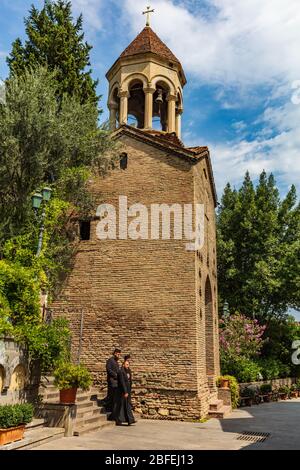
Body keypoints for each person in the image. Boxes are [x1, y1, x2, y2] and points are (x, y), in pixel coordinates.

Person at [114, 359, 136, 426]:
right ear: (123, 365)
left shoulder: (128, 371)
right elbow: (122, 382)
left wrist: (129, 390)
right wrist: (125, 392)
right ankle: (120, 419)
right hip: (123, 391)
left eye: (128, 364)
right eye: (126, 364)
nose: (128, 366)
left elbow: (130, 380)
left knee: (127, 405)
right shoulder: (121, 372)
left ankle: (130, 420)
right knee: (123, 405)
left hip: (128, 390)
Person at [103, 348, 121, 416]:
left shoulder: (116, 361)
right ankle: (107, 409)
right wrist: (116, 375)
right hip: (112, 381)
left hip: (116, 382)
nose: (119, 356)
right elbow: (109, 370)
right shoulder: (110, 360)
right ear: (115, 353)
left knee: (113, 397)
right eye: (118, 354)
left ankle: (111, 411)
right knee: (110, 396)